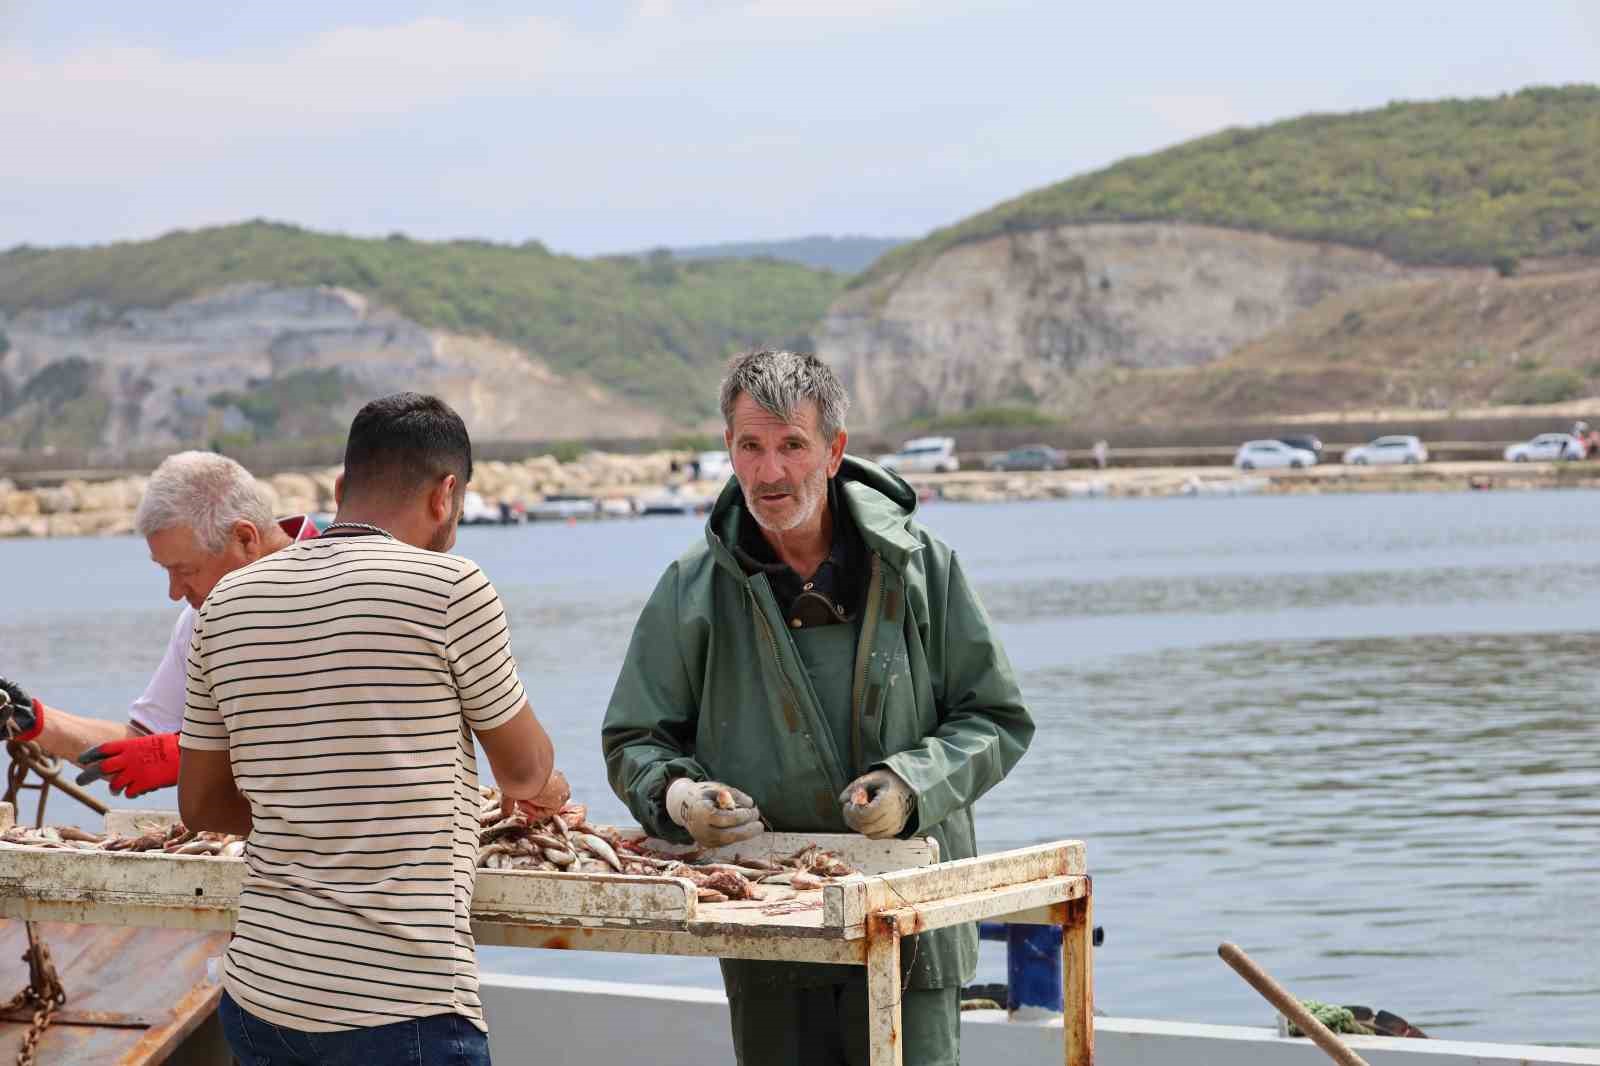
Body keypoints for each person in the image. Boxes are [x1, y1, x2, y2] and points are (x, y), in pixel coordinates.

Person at [602, 350, 1034, 1066]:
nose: (770, 472)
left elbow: (995, 718)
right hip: (768, 931)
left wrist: (911, 787)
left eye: (793, 445)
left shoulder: (922, 569)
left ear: (834, 451)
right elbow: (635, 739)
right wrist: (682, 799)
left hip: (912, 926)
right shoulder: (690, 589)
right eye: (751, 446)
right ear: (728, 449)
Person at [179, 392, 568, 1065]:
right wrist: (548, 788)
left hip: (262, 998)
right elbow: (525, 771)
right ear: (446, 495)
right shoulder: (451, 588)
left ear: (340, 489)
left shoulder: (227, 603)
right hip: (401, 1005)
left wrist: (312, 812)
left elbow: (202, 804)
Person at [0, 452, 318, 798]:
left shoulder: (339, 591)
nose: (174, 592)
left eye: (185, 570)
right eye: (167, 570)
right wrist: (31, 720)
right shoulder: (200, 618)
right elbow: (144, 744)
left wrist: (189, 755)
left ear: (244, 539)